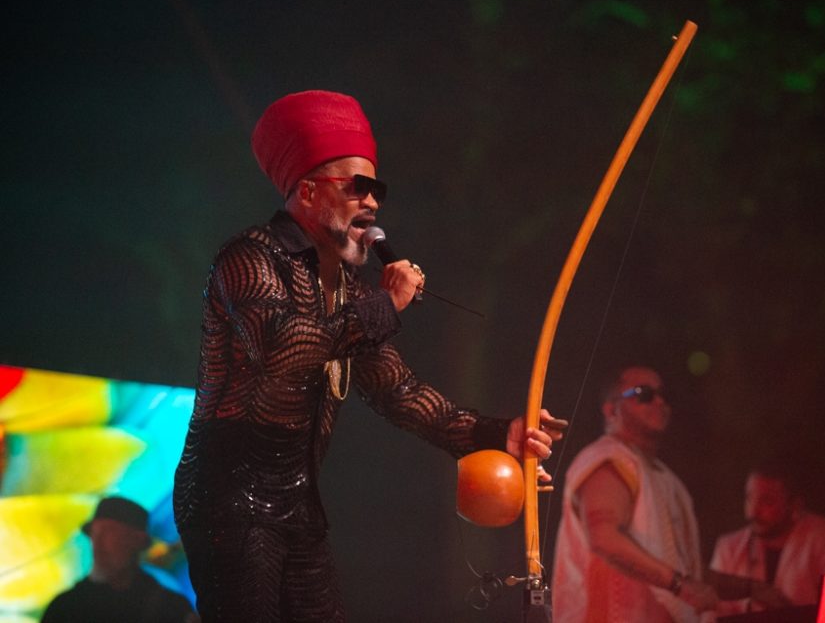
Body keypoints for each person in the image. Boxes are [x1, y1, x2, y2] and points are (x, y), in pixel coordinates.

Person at [172, 90, 566, 622]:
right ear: (308, 191)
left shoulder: (351, 290)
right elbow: (282, 349)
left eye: (377, 190)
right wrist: (386, 305)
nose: (373, 203)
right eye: (358, 187)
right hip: (228, 497)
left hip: (299, 499)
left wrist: (498, 435)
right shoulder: (248, 257)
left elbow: (399, 393)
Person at [552, 365, 718, 623]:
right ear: (611, 410)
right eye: (643, 394)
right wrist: (680, 585)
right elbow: (604, 538)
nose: (659, 402)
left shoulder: (664, 476)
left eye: (663, 395)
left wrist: (753, 588)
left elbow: (687, 566)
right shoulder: (607, 460)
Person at [709, 460, 825, 617]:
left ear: (795, 504)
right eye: (749, 498)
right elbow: (712, 612)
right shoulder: (728, 547)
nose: (753, 512)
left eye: (767, 501)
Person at [42, 496, 197, 623]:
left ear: (137, 540)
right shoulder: (63, 608)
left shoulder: (170, 607)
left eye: (110, 531)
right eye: (94, 532)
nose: (98, 540)